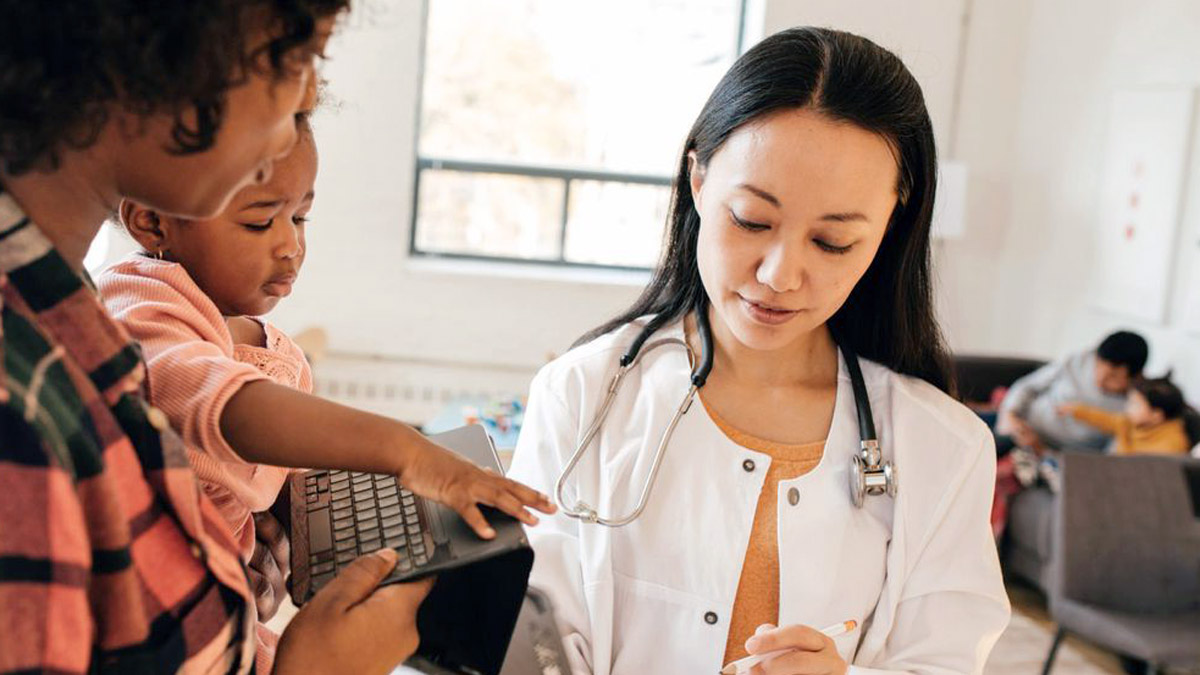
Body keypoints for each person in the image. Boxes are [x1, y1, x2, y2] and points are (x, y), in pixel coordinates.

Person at [0, 2, 550, 672]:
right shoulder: (28, 390)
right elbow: (220, 400)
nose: (306, 95)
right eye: (294, 60)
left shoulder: (71, 313)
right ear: (156, 57)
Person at [507, 27, 1009, 675]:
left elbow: (945, 661)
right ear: (697, 180)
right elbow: (536, 640)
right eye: (751, 219)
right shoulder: (582, 392)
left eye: (832, 242)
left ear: (890, 227)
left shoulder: (945, 445)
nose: (780, 274)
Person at [996, 331, 1149, 454]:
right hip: (1018, 423)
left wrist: (1042, 451)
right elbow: (1028, 385)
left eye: (1113, 377)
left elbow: (1107, 459)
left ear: (1136, 377)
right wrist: (1010, 415)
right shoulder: (1080, 359)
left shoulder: (1136, 408)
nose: (1099, 381)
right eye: (1098, 368)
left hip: (1048, 453)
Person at [1058, 375, 1191, 456]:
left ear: (1156, 415)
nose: (1128, 408)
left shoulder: (1171, 446)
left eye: (1135, 405)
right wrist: (1076, 410)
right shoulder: (1133, 422)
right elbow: (1108, 420)